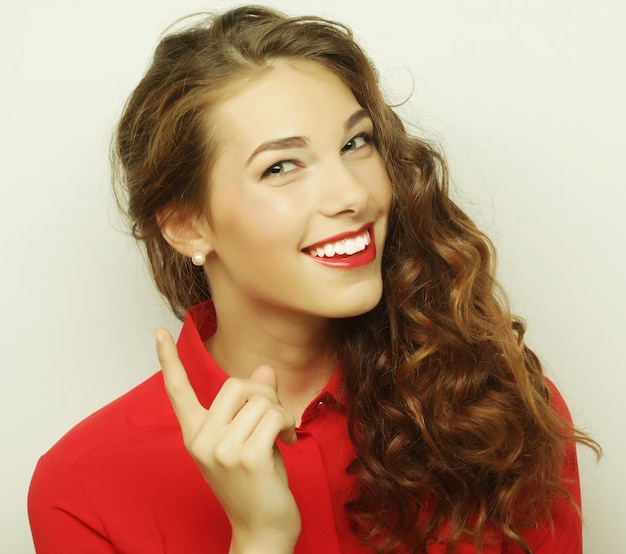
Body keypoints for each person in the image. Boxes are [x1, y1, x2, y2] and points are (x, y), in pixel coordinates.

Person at [28, 5, 599, 553]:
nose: (353, 194)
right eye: (281, 166)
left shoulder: (494, 409)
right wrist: (260, 540)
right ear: (186, 225)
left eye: (357, 143)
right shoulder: (81, 488)